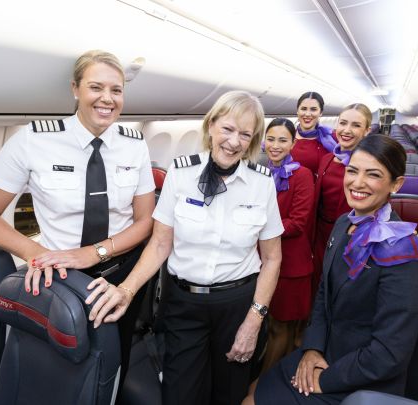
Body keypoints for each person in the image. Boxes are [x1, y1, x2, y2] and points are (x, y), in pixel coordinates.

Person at [0, 50, 155, 392]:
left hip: (120, 274)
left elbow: (144, 222)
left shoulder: (135, 144)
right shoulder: (34, 140)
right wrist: (33, 253)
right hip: (61, 277)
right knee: (58, 368)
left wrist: (94, 253)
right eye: (96, 87)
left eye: (117, 90)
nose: (107, 99)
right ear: (75, 89)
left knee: (114, 363)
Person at [85, 90, 284, 405]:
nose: (234, 142)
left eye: (245, 135)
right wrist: (126, 289)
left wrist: (254, 319)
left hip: (236, 305)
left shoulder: (262, 184)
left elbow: (272, 259)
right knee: (179, 393)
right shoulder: (182, 172)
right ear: (211, 126)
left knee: (228, 394)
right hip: (183, 305)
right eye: (228, 129)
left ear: (253, 140)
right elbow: (161, 242)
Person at [244, 135, 418, 405]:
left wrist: (326, 379)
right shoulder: (344, 224)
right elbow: (323, 295)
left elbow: (390, 352)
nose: (357, 182)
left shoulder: (402, 252)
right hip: (323, 352)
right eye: (352, 171)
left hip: (359, 377)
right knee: (252, 389)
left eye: (373, 175)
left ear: (396, 184)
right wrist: (311, 347)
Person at [261, 118, 315, 371]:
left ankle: (263, 385)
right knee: (265, 322)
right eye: (271, 139)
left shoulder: (302, 176)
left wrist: (256, 228)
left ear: (293, 143)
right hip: (262, 261)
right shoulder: (258, 171)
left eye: (283, 140)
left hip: (291, 266)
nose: (275, 145)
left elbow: (298, 222)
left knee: (279, 327)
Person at [311, 103, 372, 293]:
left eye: (355, 125)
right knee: (317, 282)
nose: (346, 130)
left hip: (351, 235)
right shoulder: (327, 159)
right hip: (321, 233)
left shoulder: (370, 164)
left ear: (366, 131)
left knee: (340, 286)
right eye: (343, 123)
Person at [291, 92, 336, 176]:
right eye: (304, 109)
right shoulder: (287, 136)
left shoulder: (332, 138)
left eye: (313, 109)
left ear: (321, 112)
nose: (307, 114)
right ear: (297, 111)